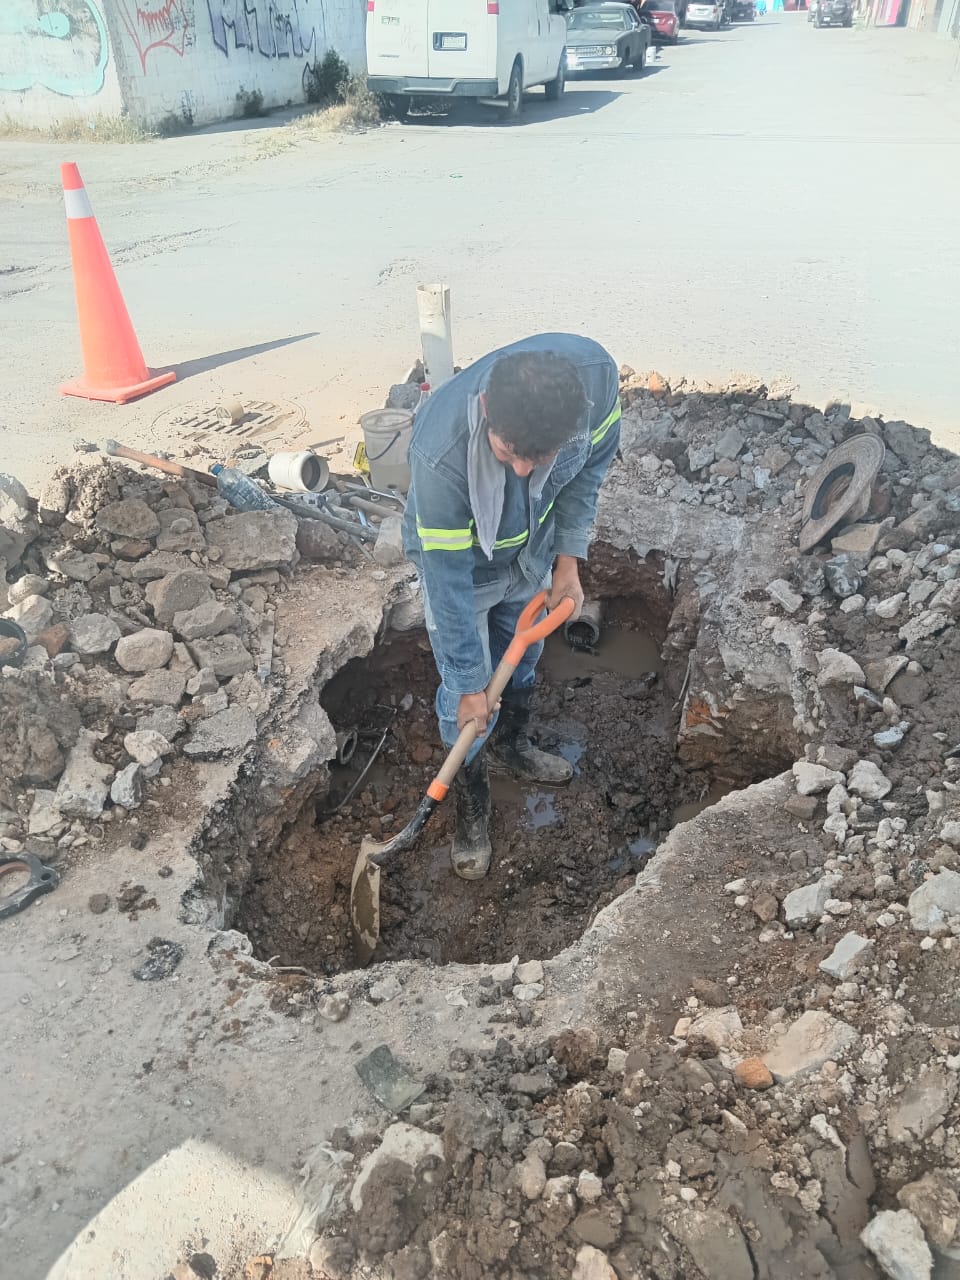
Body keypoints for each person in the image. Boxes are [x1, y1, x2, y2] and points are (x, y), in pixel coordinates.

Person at [402, 334, 621, 881]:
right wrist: (471, 687)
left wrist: (569, 562)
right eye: (507, 454)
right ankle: (470, 801)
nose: (523, 472)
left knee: (522, 656)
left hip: (532, 548)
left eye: (539, 457)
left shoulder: (594, 383)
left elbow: (586, 476)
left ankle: (512, 747)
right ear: (485, 412)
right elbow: (448, 584)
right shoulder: (440, 455)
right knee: (466, 692)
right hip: (464, 565)